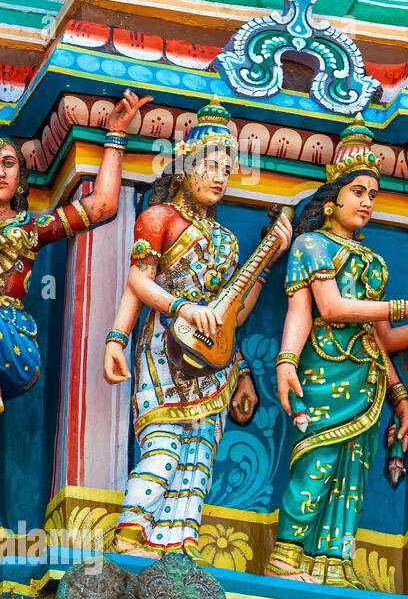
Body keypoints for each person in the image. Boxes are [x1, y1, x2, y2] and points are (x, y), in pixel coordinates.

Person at [267, 117, 408, 586]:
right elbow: (322, 308)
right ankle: (287, 555)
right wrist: (286, 361)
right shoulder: (312, 245)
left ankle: (332, 562)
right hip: (323, 373)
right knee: (317, 462)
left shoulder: (372, 262)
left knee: (352, 475)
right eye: (359, 192)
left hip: (366, 381)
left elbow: (380, 337)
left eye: (374, 194)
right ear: (333, 199)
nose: (368, 202)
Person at [107, 98, 293, 558]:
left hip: (214, 360)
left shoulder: (227, 242)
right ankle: (132, 534)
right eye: (209, 164)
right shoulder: (160, 219)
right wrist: (118, 335)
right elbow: (137, 280)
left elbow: (234, 313)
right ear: (185, 166)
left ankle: (178, 544)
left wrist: (269, 257)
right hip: (164, 346)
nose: (218, 176)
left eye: (227, 170)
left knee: (198, 456)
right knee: (164, 444)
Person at [1, 90, 151, 413]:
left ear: (20, 176)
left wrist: (116, 133)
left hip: (10, 340)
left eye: (8, 163)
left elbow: (102, 205)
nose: (0, 172)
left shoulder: (30, 229)